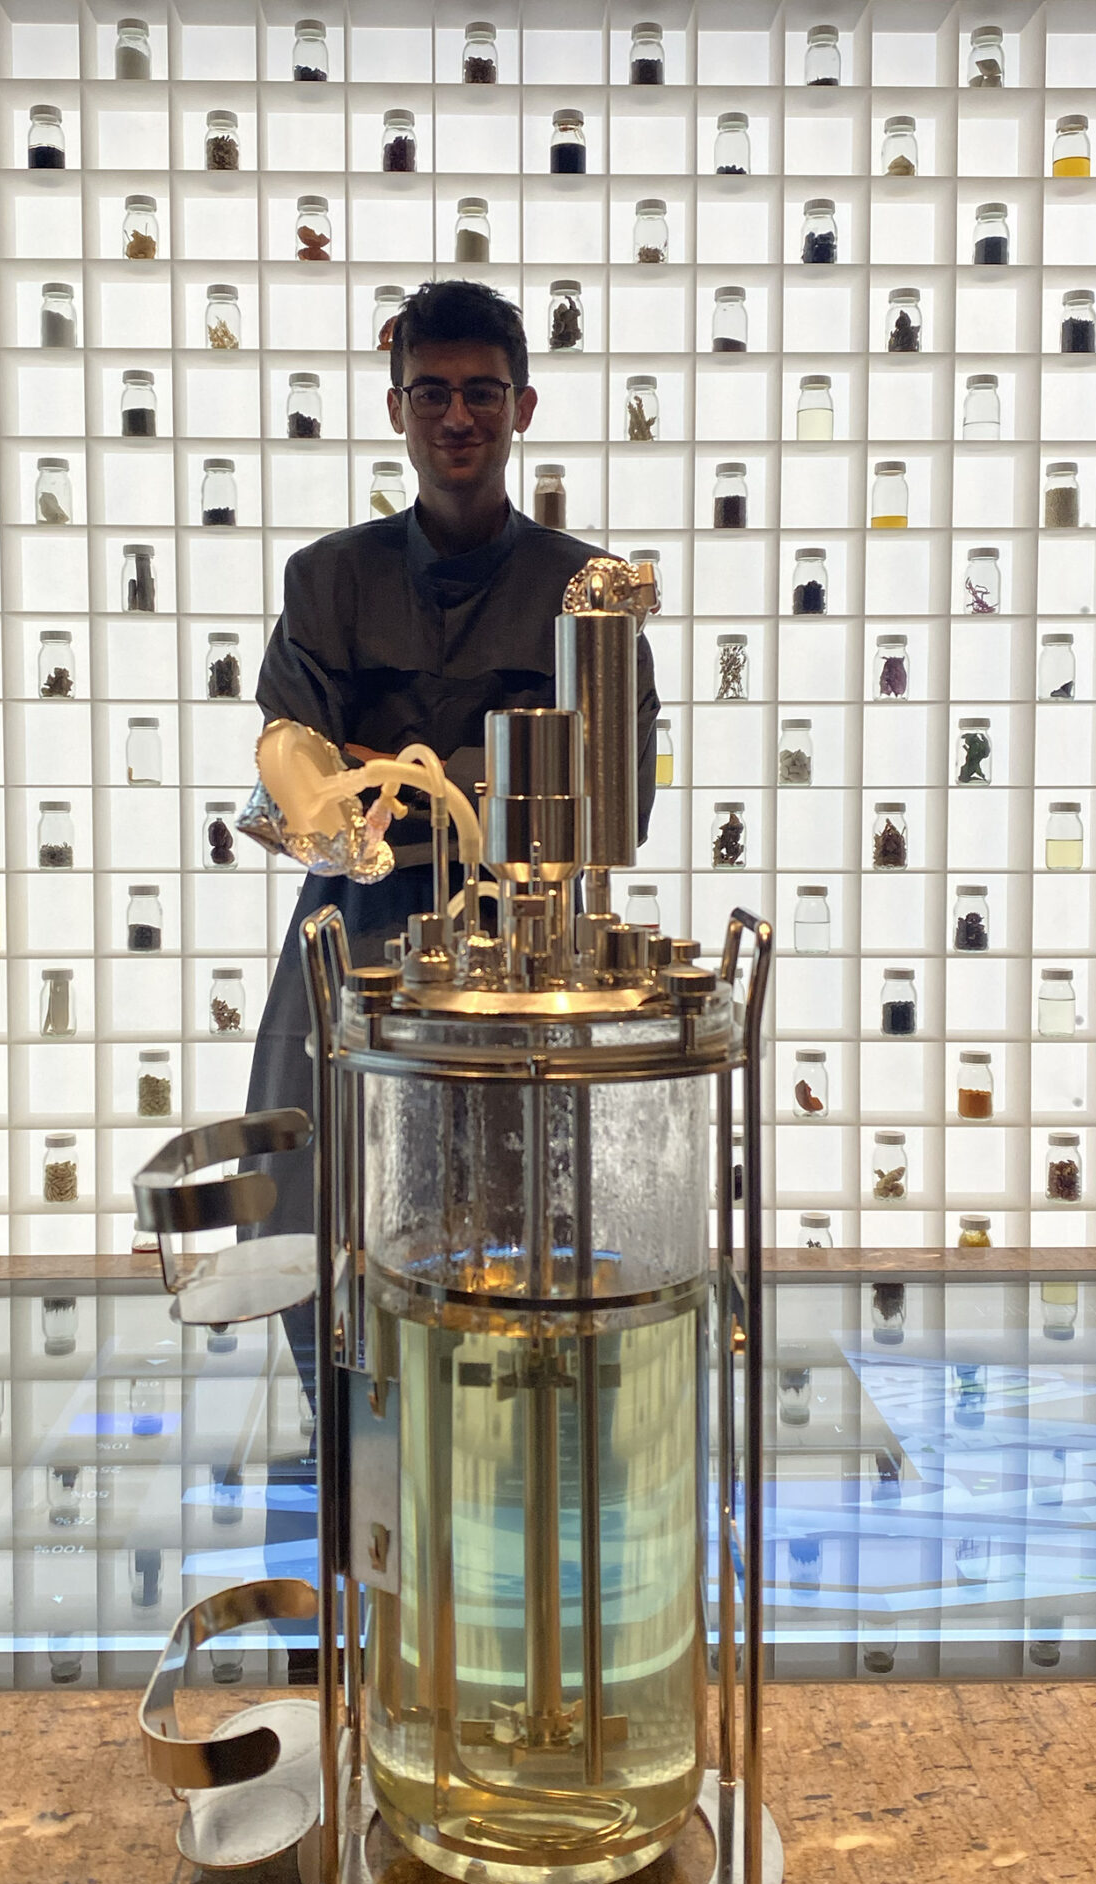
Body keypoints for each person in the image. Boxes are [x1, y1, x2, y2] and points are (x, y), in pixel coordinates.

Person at [244, 278, 661, 1257]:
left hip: (524, 965)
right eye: (430, 391)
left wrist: (378, 770)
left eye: (481, 390)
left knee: (524, 1250)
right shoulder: (325, 578)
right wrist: (514, 765)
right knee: (319, 1236)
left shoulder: (588, 589)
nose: (456, 415)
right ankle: (331, 1417)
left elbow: (614, 808)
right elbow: (287, 777)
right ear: (396, 408)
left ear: (521, 407)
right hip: (349, 954)